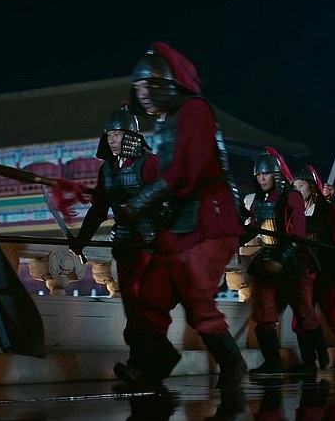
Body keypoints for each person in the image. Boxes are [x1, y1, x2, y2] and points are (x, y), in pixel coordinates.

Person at [120, 41, 246, 390]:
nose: (142, 93)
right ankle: (153, 364)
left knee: (197, 299)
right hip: (177, 222)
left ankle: (232, 364)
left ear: (168, 84)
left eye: (149, 85)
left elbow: (184, 173)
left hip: (208, 220)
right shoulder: (166, 120)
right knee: (151, 294)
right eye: (138, 87)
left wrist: (138, 204)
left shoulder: (195, 110)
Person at [71, 103, 161, 382]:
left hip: (149, 241)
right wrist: (81, 241)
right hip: (123, 241)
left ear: (131, 135)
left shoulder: (151, 164)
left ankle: (144, 363)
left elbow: (168, 199)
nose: (112, 139)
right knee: (131, 303)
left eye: (118, 134)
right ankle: (142, 363)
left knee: (144, 301)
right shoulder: (107, 169)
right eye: (109, 134)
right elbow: (99, 208)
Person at [242, 148, 321, 375]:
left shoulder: (291, 197)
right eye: (258, 175)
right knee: (264, 315)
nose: (262, 178)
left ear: (275, 175)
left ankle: (309, 363)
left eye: (265, 174)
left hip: (293, 260)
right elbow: (252, 228)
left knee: (303, 315)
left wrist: (281, 261)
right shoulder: (259, 200)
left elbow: (298, 235)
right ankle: (272, 363)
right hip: (267, 256)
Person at [292, 165, 335, 370]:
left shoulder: (327, 210)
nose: (297, 189)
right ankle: (309, 362)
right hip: (303, 273)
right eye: (294, 186)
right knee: (300, 319)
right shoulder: (291, 213)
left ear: (311, 186)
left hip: (326, 273)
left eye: (301, 185)